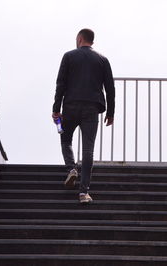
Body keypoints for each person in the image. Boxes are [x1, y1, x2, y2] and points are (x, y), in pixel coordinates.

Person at [52, 28, 115, 204]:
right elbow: (110, 89)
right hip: (92, 109)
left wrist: (56, 108)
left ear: (79, 39)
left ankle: (72, 169)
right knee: (88, 150)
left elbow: (61, 84)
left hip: (71, 106)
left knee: (65, 140)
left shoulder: (69, 56)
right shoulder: (103, 60)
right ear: (92, 41)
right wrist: (111, 113)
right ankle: (83, 192)